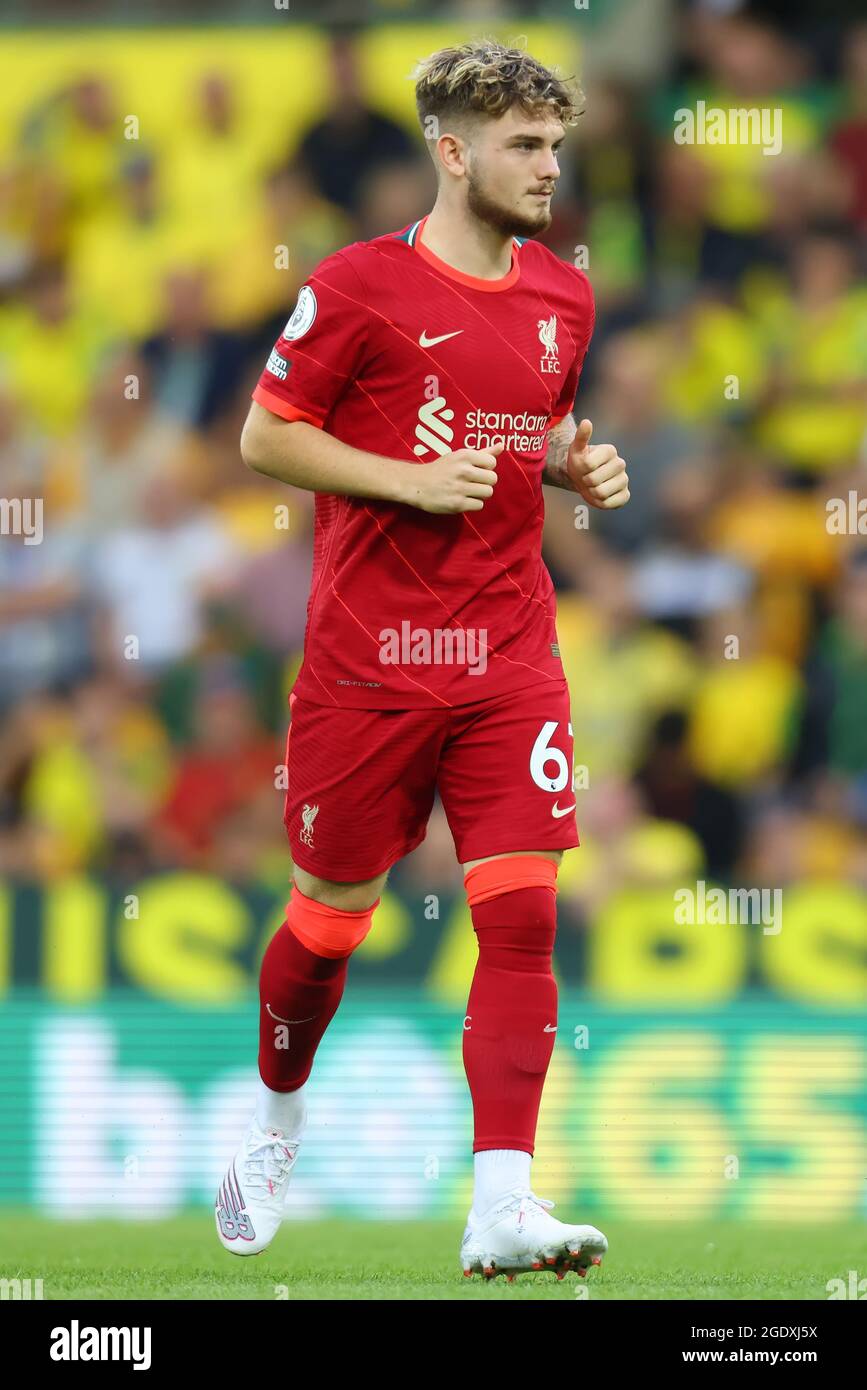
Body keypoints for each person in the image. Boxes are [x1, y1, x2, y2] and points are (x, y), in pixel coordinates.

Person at [217, 40, 630, 1283]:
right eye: (523, 146)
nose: (549, 167)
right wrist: (406, 479)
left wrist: (567, 465)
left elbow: (526, 419)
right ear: (452, 153)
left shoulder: (566, 294)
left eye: (554, 145)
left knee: (522, 920)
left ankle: (501, 1200)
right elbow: (262, 437)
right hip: (372, 661)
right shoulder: (356, 287)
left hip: (510, 651)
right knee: (331, 919)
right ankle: (279, 1111)